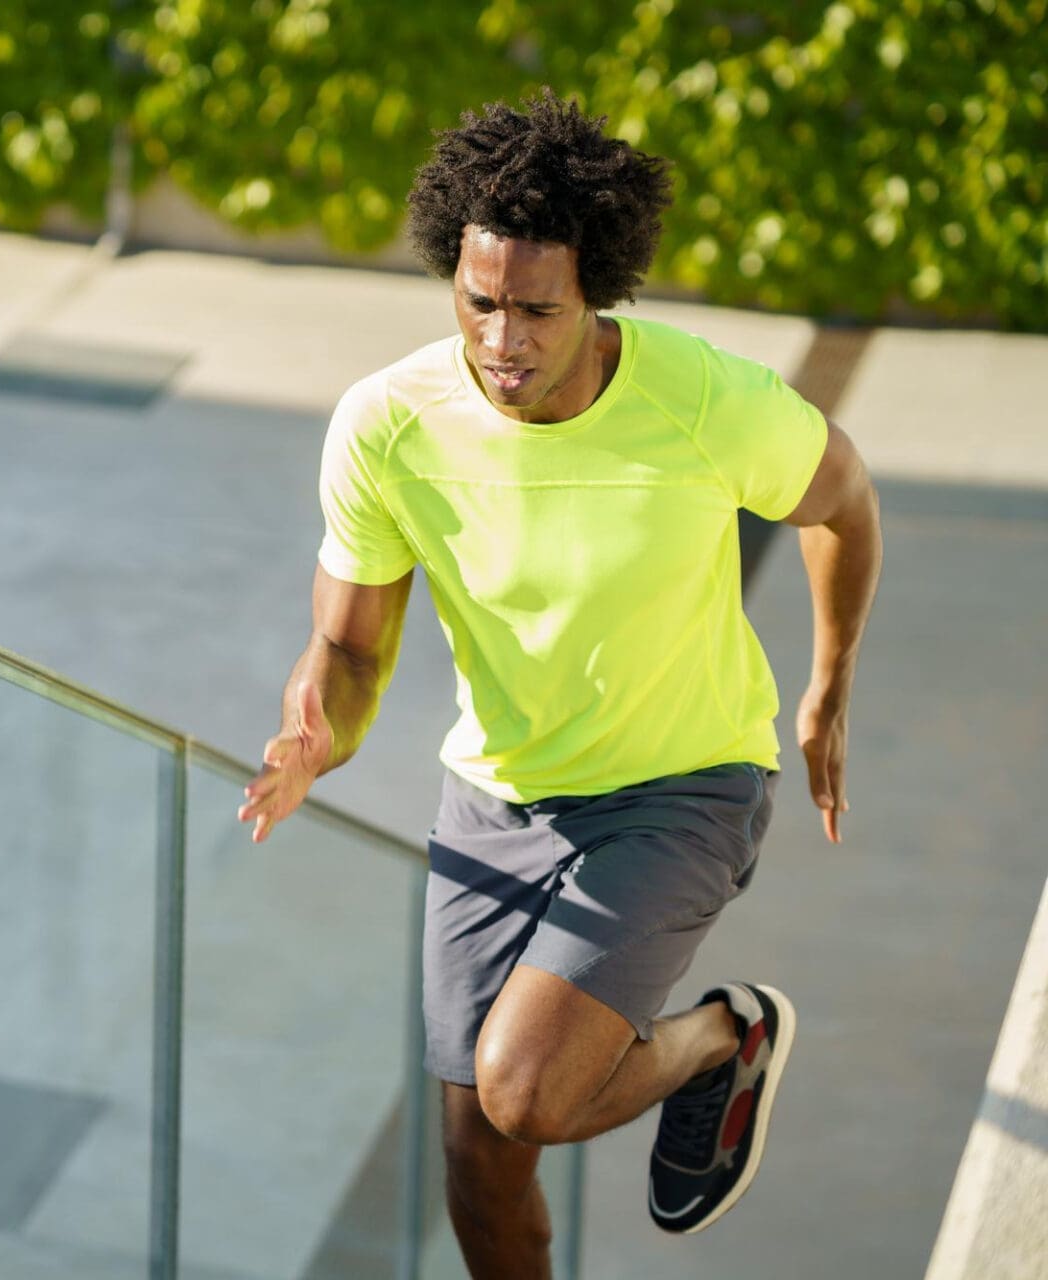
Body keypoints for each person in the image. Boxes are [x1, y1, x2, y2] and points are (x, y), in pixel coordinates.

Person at [237, 92, 881, 1274]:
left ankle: (718, 1038)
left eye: (538, 309)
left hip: (682, 783)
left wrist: (829, 679)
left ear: (599, 296)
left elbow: (842, 500)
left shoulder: (702, 401)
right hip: (497, 796)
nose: (503, 339)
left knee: (525, 1091)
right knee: (480, 1166)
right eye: (479, 302)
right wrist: (309, 731)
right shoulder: (388, 425)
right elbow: (353, 646)